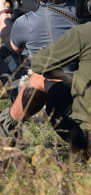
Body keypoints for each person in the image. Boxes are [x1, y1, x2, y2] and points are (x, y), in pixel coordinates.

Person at [30, 21, 91, 153]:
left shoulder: (84, 32)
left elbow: (38, 63)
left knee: (43, 78)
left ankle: (5, 125)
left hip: (85, 139)